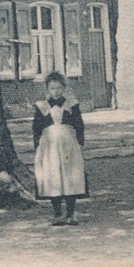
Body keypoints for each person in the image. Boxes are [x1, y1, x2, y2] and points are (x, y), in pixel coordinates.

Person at [33, 71, 87, 226]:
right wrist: (37, 147)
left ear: (63, 88)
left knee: (71, 176)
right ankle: (57, 213)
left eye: (58, 88)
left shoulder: (72, 105)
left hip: (68, 144)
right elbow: (36, 128)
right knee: (52, 176)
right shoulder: (41, 106)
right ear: (47, 90)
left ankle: (70, 214)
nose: (55, 92)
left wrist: (81, 143)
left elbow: (79, 125)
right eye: (52, 89)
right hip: (49, 146)